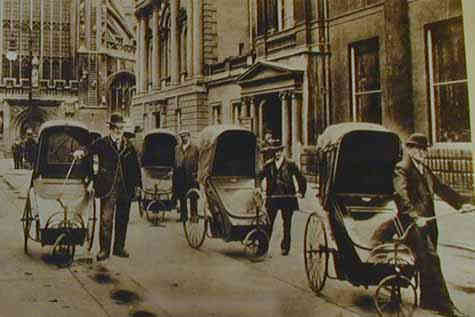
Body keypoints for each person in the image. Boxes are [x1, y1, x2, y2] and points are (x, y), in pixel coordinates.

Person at [370, 133, 473, 317]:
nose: (422, 152)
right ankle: (445, 306)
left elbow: (441, 188)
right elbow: (401, 196)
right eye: (418, 148)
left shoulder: (424, 169)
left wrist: (460, 203)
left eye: (424, 149)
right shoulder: (401, 169)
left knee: (426, 259)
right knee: (432, 259)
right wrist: (414, 216)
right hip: (411, 224)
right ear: (409, 149)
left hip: (428, 223)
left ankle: (428, 299)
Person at [74, 113, 142, 261]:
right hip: (108, 187)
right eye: (116, 128)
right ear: (110, 128)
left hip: (125, 187)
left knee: (123, 219)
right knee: (106, 219)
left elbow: (135, 166)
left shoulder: (128, 145)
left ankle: (119, 247)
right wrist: (81, 152)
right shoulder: (103, 143)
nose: (119, 131)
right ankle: (104, 250)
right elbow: (89, 149)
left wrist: (138, 185)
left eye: (121, 128)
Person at [256, 140, 307, 256]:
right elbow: (259, 176)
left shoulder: (290, 164)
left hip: (287, 198)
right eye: (274, 152)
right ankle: (263, 248)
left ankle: (285, 247)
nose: (277, 154)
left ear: (282, 151)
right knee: (268, 224)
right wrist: (258, 188)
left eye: (278, 151)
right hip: (272, 198)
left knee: (287, 224)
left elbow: (301, 178)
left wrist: (301, 191)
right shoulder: (268, 165)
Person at [173, 129, 199, 222]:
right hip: (180, 176)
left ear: (189, 136)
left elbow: (198, 161)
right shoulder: (177, 148)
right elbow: (175, 162)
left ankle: (194, 216)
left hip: (191, 176)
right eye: (182, 136)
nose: (183, 138)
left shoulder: (195, 148)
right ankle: (183, 216)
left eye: (185, 136)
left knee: (193, 196)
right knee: (182, 197)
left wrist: (197, 174)